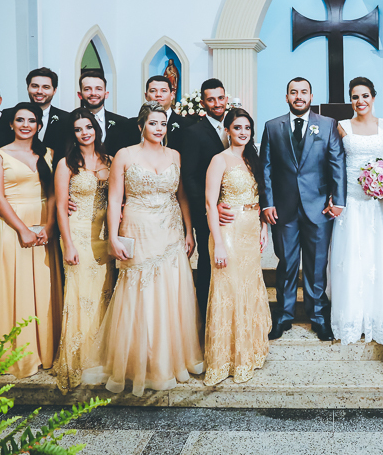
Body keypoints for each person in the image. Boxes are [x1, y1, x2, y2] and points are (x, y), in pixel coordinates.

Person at [84, 102, 204, 395]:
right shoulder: (125, 155)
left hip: (171, 229)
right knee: (141, 292)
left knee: (172, 292)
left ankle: (171, 358)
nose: (159, 128)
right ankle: (142, 361)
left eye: (163, 123)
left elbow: (182, 196)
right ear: (141, 126)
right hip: (138, 227)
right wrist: (112, 236)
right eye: (153, 123)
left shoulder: (174, 154)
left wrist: (189, 232)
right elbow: (114, 200)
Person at [0, 103, 62, 378]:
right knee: (14, 288)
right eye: (20, 120)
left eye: (32, 120)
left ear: (39, 125)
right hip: (11, 228)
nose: (26, 124)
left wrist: (49, 226)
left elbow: (52, 194)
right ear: (11, 124)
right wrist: (23, 229)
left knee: (43, 290)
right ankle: (14, 355)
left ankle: (44, 350)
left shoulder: (48, 153)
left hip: (43, 227)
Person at [260, 78, 346, 342]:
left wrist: (339, 200)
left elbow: (337, 163)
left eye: (304, 92)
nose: (299, 96)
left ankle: (318, 316)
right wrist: (267, 203)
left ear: (311, 95)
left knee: (317, 264)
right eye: (294, 92)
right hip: (283, 209)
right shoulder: (273, 126)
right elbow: (266, 167)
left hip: (319, 208)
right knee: (286, 264)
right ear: (286, 96)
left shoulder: (328, 125)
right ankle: (283, 316)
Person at [203, 108, 271, 385]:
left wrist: (264, 227)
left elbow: (262, 196)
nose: (242, 132)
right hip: (228, 233)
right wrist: (218, 243)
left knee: (248, 290)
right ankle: (224, 360)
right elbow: (210, 203)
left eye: (247, 128)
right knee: (227, 292)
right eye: (237, 127)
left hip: (251, 229)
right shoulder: (220, 160)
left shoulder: (254, 160)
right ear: (227, 130)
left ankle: (248, 353)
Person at [329, 77, 383, 345]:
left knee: (377, 256)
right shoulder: (342, 127)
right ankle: (350, 318)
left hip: (378, 203)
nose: (361, 101)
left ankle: (378, 317)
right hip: (351, 201)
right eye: (356, 97)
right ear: (351, 99)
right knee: (351, 257)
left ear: (373, 97)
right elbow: (334, 162)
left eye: (365, 96)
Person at [53, 109, 114, 393]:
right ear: (73, 133)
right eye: (78, 129)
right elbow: (60, 208)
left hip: (104, 235)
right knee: (81, 295)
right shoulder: (66, 165)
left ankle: (104, 356)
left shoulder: (109, 160)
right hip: (78, 234)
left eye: (88, 127)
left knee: (105, 293)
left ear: (96, 129)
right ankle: (80, 359)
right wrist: (68, 244)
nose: (84, 133)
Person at [180, 79, 230, 328]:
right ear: (202, 103)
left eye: (220, 98)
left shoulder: (234, 127)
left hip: (234, 210)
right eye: (211, 99)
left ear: (226, 99)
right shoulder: (193, 132)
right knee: (209, 260)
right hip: (207, 210)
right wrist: (211, 207)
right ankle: (205, 315)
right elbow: (189, 177)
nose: (217, 104)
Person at [0, 68, 70, 153]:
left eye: (46, 87)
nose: (39, 91)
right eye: (35, 86)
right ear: (28, 88)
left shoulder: (66, 118)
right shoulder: (8, 114)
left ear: (54, 90)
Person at [117, 75, 183, 151]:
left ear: (172, 95)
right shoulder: (130, 125)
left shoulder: (187, 125)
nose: (158, 95)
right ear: (146, 96)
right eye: (153, 91)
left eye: (164, 91)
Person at [77, 69, 127, 156]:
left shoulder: (122, 123)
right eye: (87, 89)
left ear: (106, 94)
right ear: (80, 94)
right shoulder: (69, 122)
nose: (93, 93)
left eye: (98, 89)